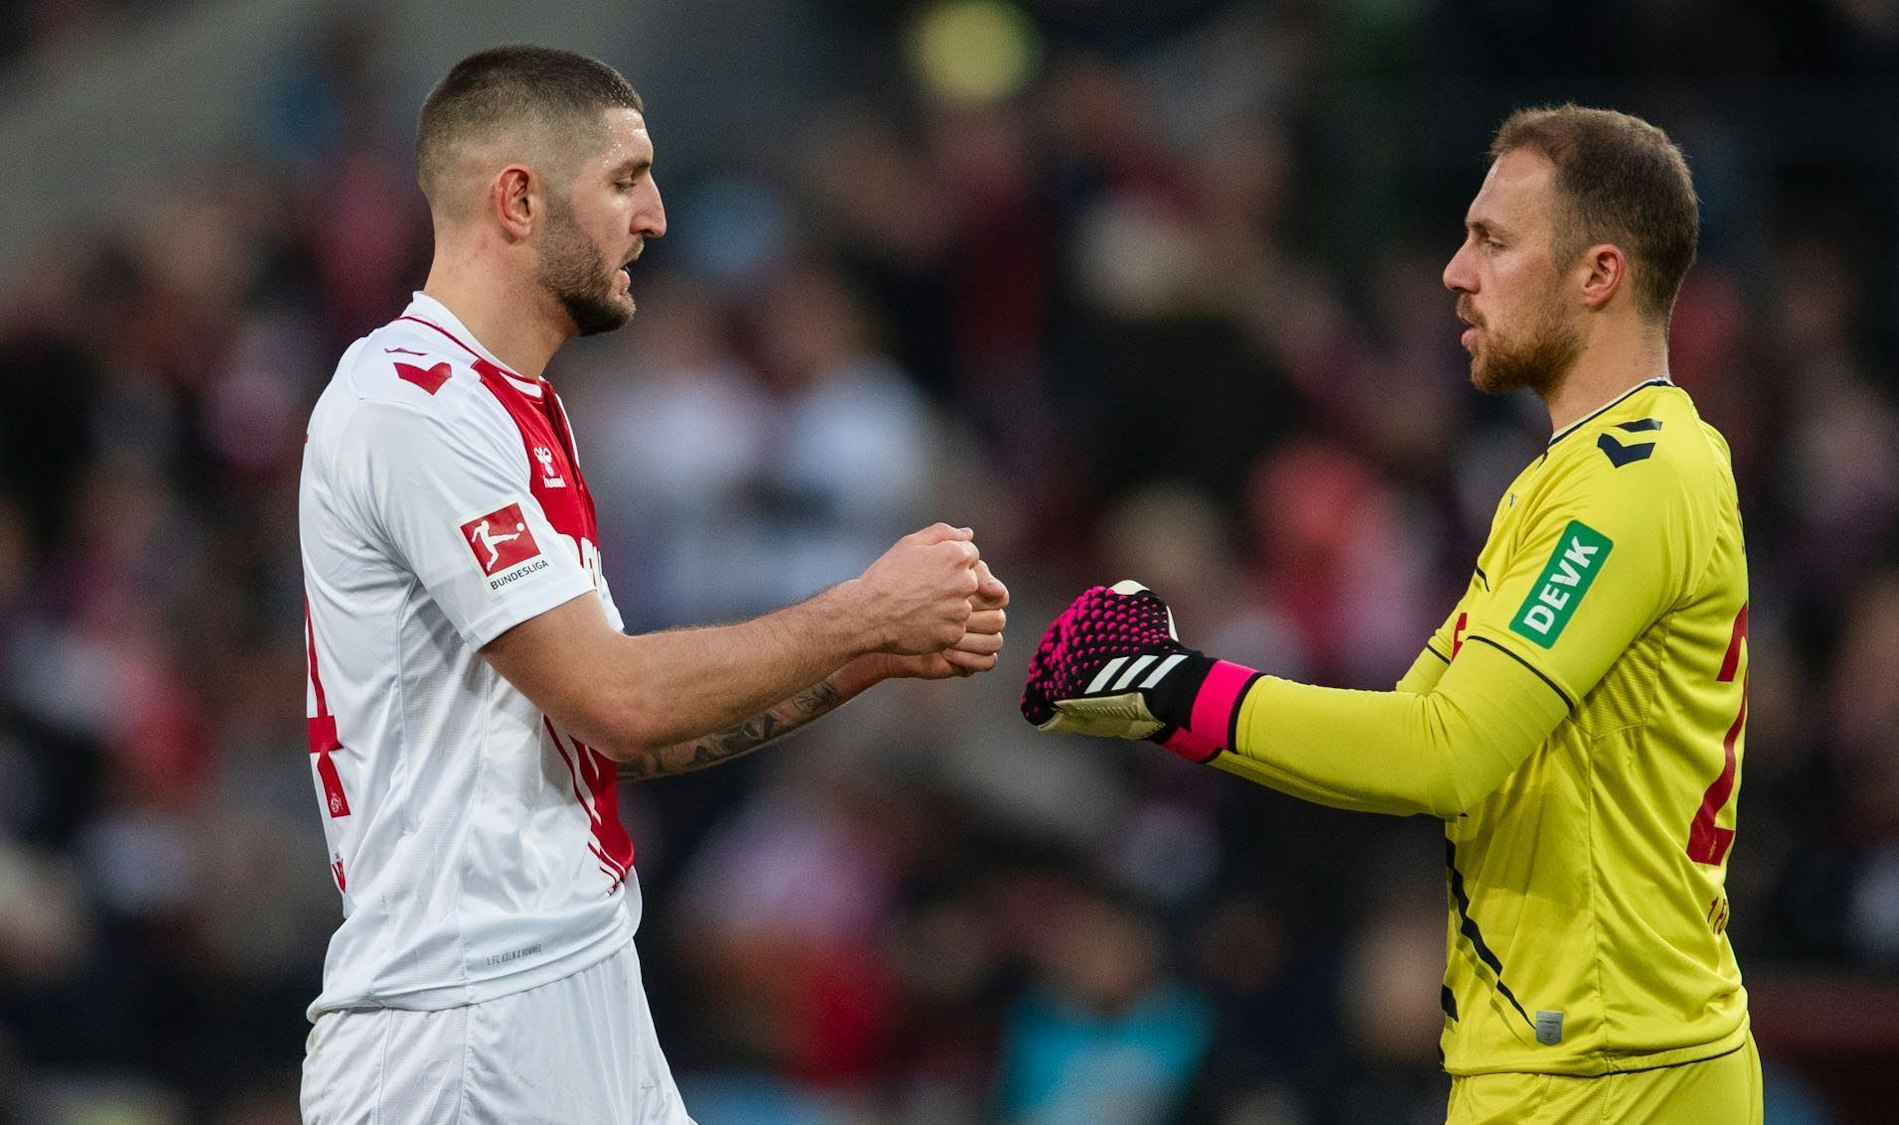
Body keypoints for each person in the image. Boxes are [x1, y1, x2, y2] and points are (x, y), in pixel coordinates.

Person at [296, 45, 1007, 1124]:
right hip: (463, 1027)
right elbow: (617, 696)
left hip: (565, 978)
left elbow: (630, 737)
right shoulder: (413, 406)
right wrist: (862, 606)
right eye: (625, 178)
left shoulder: (509, 409)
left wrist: (874, 653)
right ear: (520, 198)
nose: (657, 216)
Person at [1022, 105, 1758, 1123]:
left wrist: (1161, 684)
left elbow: (1440, 752)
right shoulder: (1563, 480)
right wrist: (1165, 696)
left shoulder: (1633, 481)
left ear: (1597, 275)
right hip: (1566, 1059)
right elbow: (1404, 738)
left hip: (1612, 1071)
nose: (1454, 273)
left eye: (1491, 243)